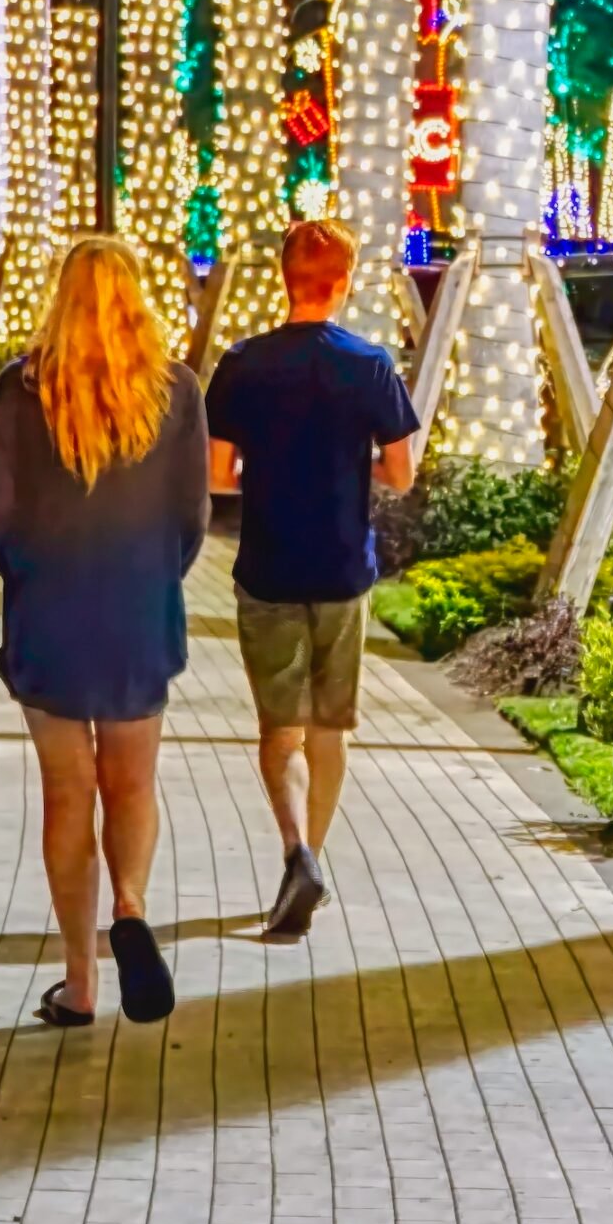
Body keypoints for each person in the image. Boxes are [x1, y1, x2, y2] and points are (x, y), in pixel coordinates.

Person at [0, 236, 208, 1028]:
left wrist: (30, 575)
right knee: (133, 784)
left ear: (62, 299)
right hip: (138, 611)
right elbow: (192, 517)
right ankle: (131, 907)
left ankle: (80, 983)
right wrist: (153, 578)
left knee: (67, 792)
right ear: (135, 300)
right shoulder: (176, 391)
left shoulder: (22, 390)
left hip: (50, 616)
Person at [206, 218, 418, 936]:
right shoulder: (370, 365)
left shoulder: (242, 364)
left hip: (268, 567)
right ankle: (313, 863)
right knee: (330, 727)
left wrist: (269, 469)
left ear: (284, 277)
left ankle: (297, 852)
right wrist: (355, 465)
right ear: (344, 282)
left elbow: (218, 475)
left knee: (280, 730)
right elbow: (401, 473)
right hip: (343, 569)